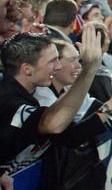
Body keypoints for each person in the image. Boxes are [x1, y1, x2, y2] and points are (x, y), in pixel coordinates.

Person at [0, 26, 103, 174]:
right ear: (27, 69)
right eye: (52, 61)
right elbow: (52, 124)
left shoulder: (27, 94)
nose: (59, 66)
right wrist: (89, 69)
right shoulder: (7, 100)